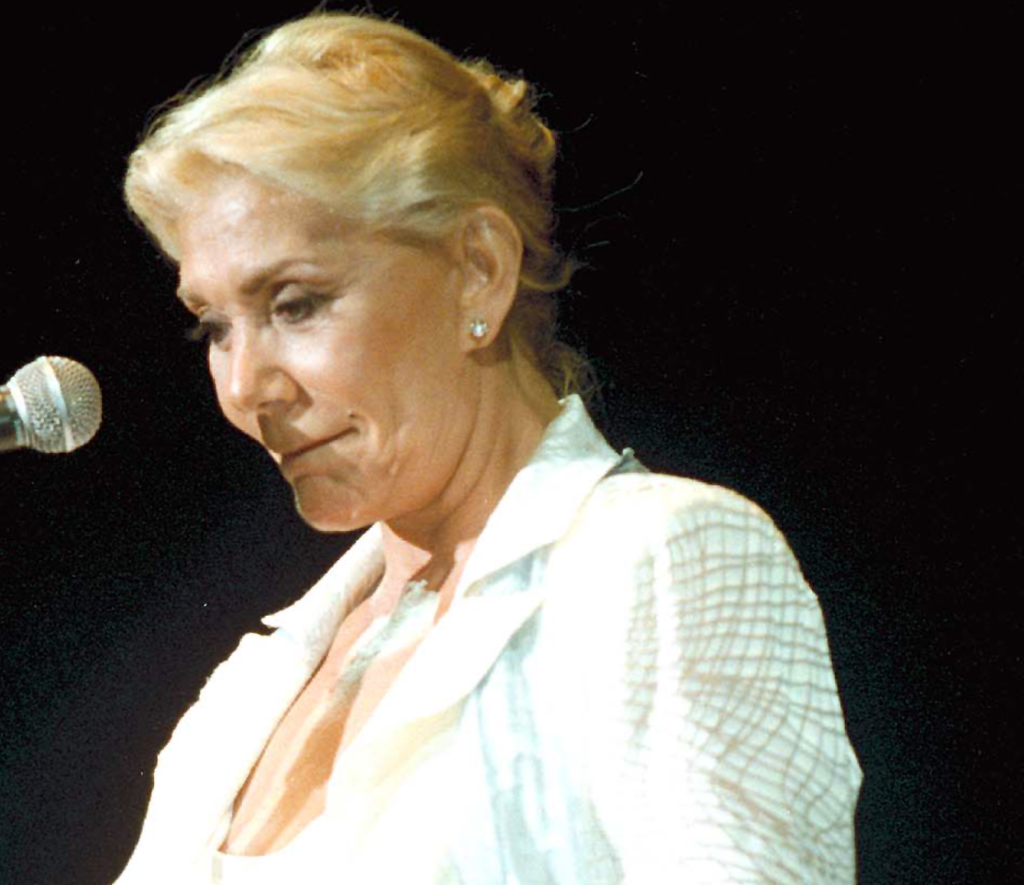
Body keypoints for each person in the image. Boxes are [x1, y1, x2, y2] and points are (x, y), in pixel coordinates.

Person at [115, 11, 861, 883]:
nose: (246, 385)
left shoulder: (655, 560)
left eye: (295, 304)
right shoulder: (247, 691)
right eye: (213, 326)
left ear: (480, 269)